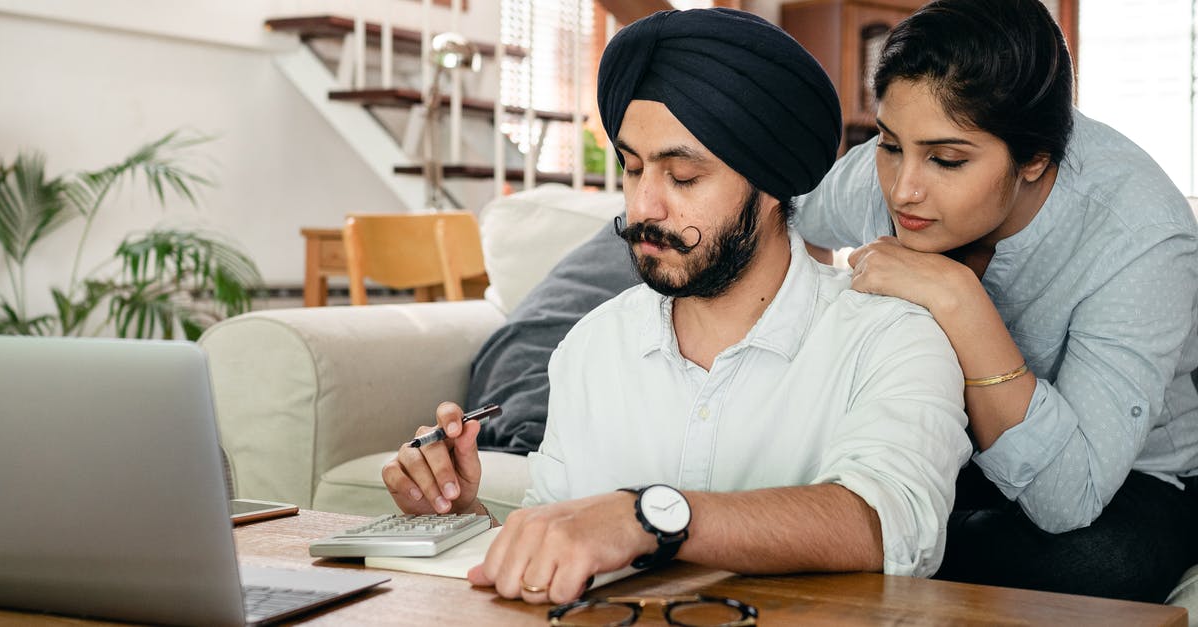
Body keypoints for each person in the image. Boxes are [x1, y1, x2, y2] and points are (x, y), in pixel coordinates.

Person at [383, 7, 972, 605]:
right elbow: (559, 540)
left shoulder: (892, 335)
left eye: (683, 177)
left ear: (771, 186)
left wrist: (647, 518)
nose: (644, 207)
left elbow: (891, 528)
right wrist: (461, 514)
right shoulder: (591, 347)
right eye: (632, 168)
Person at [791, 0, 1198, 603]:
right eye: (889, 143)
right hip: (953, 448)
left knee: (1103, 564)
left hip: (1126, 476)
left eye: (947, 160)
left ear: (1035, 159)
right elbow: (788, 219)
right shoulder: (891, 176)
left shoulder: (1141, 237)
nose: (904, 190)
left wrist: (958, 299)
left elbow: (1070, 496)